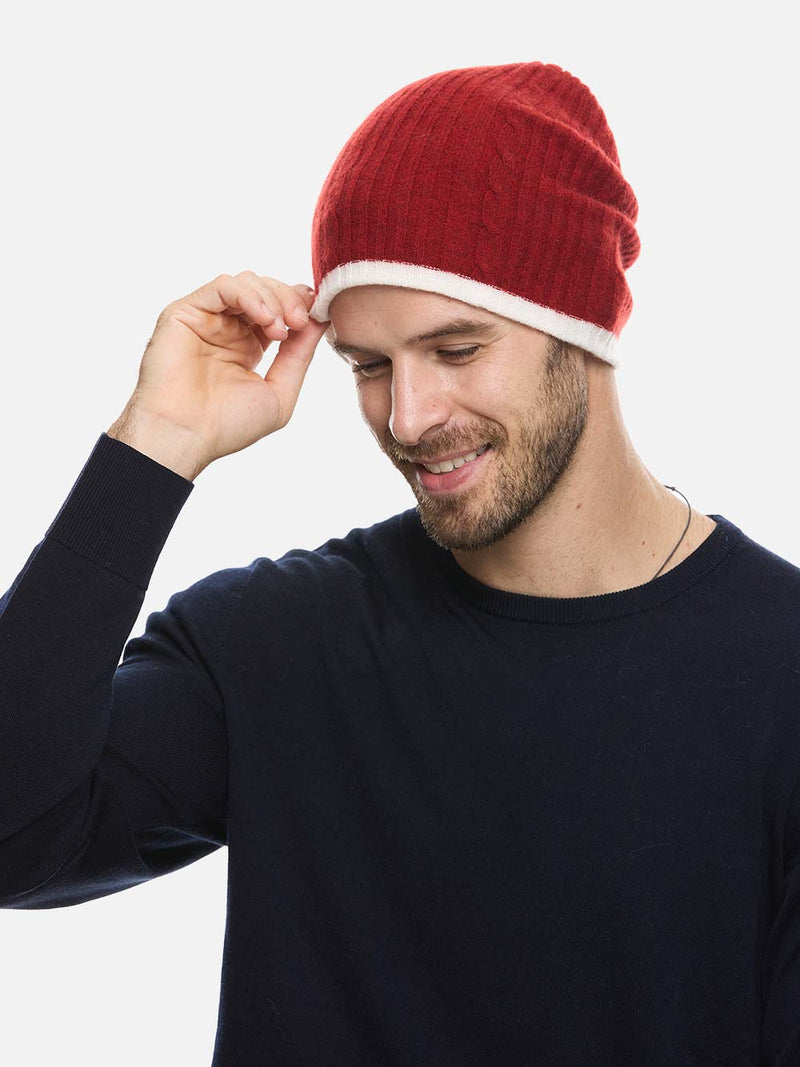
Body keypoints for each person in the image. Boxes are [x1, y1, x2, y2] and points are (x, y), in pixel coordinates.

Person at [0, 60, 798, 1065]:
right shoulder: (276, 644)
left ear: (583, 327)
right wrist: (153, 445)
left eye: (456, 350)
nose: (409, 418)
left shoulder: (779, 673)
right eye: (369, 366)